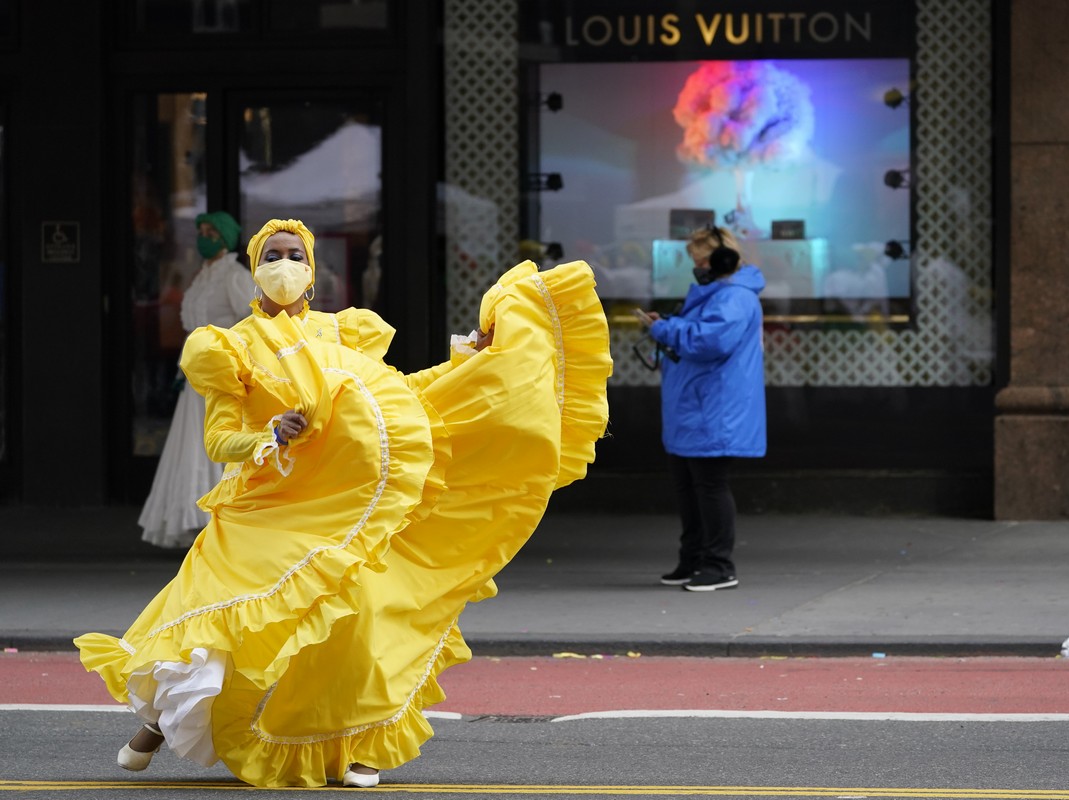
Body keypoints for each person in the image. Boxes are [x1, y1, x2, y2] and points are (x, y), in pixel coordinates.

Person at [76, 219, 612, 788]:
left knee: (366, 617)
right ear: (256, 267)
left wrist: (471, 363)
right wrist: (268, 435)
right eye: (273, 255)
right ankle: (153, 726)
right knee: (224, 612)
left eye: (295, 255)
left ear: (311, 270)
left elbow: (396, 397)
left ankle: (361, 745)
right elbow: (219, 439)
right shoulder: (229, 346)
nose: (284, 266)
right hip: (271, 504)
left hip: (351, 502)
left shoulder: (344, 334)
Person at [638, 224, 766, 592]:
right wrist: (668, 326)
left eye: (701, 260)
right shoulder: (720, 295)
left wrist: (663, 330)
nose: (698, 267)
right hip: (698, 407)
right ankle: (693, 561)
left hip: (713, 408)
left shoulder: (733, 297)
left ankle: (718, 565)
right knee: (689, 487)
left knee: (708, 486)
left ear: (719, 259)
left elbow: (708, 341)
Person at [138, 211, 255, 549]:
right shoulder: (203, 276)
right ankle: (196, 522)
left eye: (211, 232)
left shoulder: (233, 276)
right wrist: (182, 369)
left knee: (220, 442)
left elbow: (252, 322)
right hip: (197, 376)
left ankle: (226, 522)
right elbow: (194, 330)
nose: (205, 237)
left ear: (225, 238)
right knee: (194, 445)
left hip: (223, 374)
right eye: (201, 231)